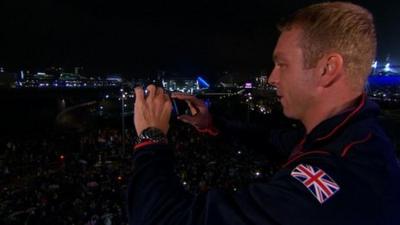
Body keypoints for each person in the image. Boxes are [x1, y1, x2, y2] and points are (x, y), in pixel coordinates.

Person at [128, 2, 400, 225]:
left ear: (327, 69)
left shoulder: (333, 182)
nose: (271, 78)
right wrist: (212, 123)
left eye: (282, 64)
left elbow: (164, 219)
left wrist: (151, 138)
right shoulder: (348, 136)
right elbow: (272, 140)